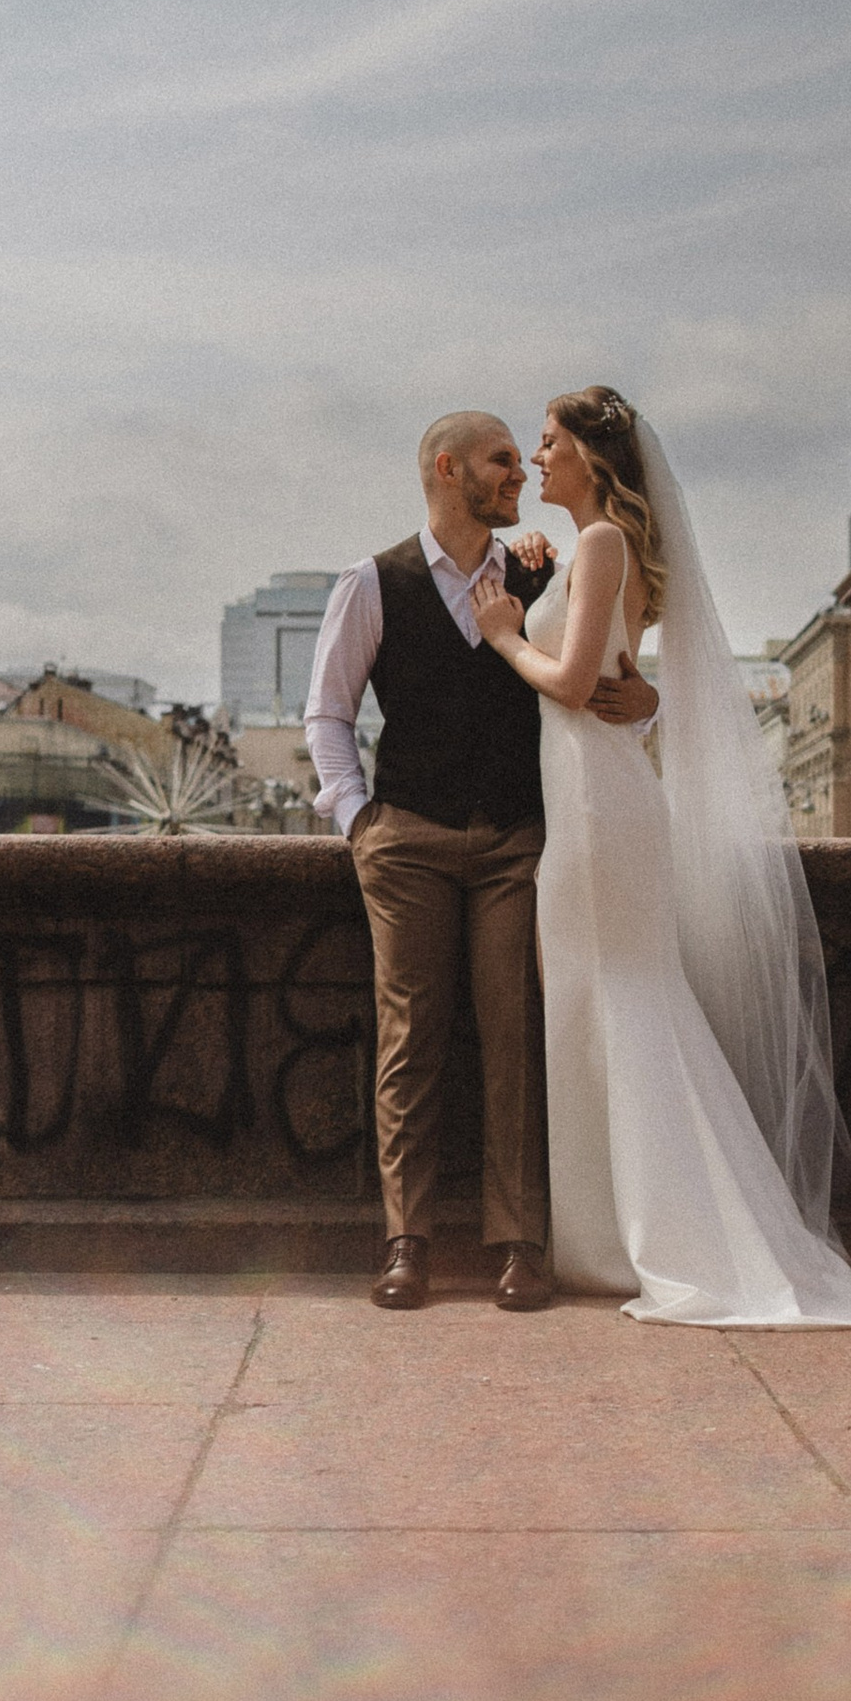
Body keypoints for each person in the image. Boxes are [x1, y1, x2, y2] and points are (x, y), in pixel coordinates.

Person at [474, 387, 851, 1330]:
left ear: (594, 460)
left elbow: (569, 682)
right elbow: (620, 681)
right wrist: (539, 591)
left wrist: (506, 633)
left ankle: (650, 1239)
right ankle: (618, 1236)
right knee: (609, 1004)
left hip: (601, 808)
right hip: (596, 801)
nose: (538, 458)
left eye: (550, 445)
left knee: (623, 1001)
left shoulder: (603, 545)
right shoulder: (594, 550)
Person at [304, 409, 659, 1313]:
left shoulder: (539, 569)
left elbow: (602, 665)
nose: (517, 474)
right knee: (408, 1042)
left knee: (516, 1038)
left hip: (515, 840)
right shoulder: (371, 582)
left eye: (522, 459)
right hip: (407, 839)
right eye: (502, 461)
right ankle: (406, 1241)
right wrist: (358, 821)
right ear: (446, 468)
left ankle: (518, 1246)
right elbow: (327, 714)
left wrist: (642, 692)